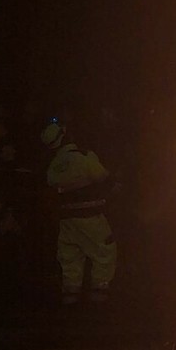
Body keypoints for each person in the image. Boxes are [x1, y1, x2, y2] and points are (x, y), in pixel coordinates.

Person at [41, 120, 117, 305]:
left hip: (66, 219)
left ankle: (70, 293)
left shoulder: (54, 164)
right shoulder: (84, 156)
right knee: (104, 250)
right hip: (90, 216)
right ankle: (100, 290)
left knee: (70, 255)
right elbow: (102, 176)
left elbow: (51, 183)